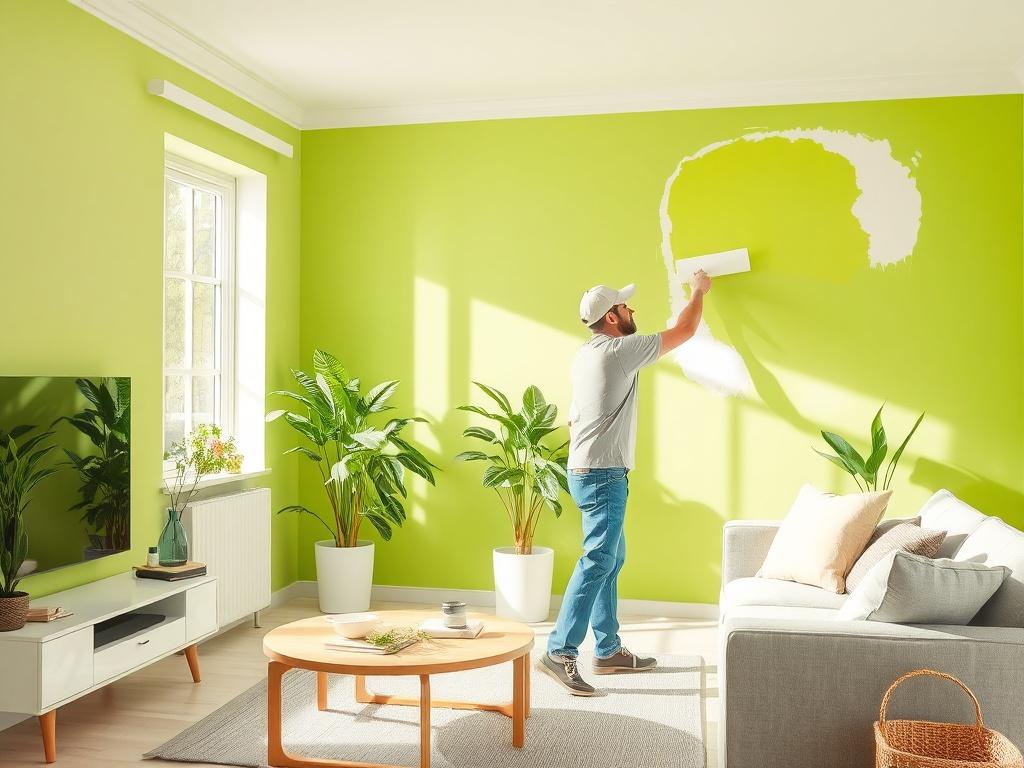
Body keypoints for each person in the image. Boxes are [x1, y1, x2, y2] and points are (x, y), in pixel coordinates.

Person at [539, 270, 712, 696]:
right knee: (599, 560)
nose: (632, 309)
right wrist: (699, 290)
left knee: (609, 561)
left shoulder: (586, 354)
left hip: (588, 471)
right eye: (625, 305)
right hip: (602, 475)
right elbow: (685, 330)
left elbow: (576, 412)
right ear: (612, 318)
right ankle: (559, 651)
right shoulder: (619, 351)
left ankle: (609, 649)